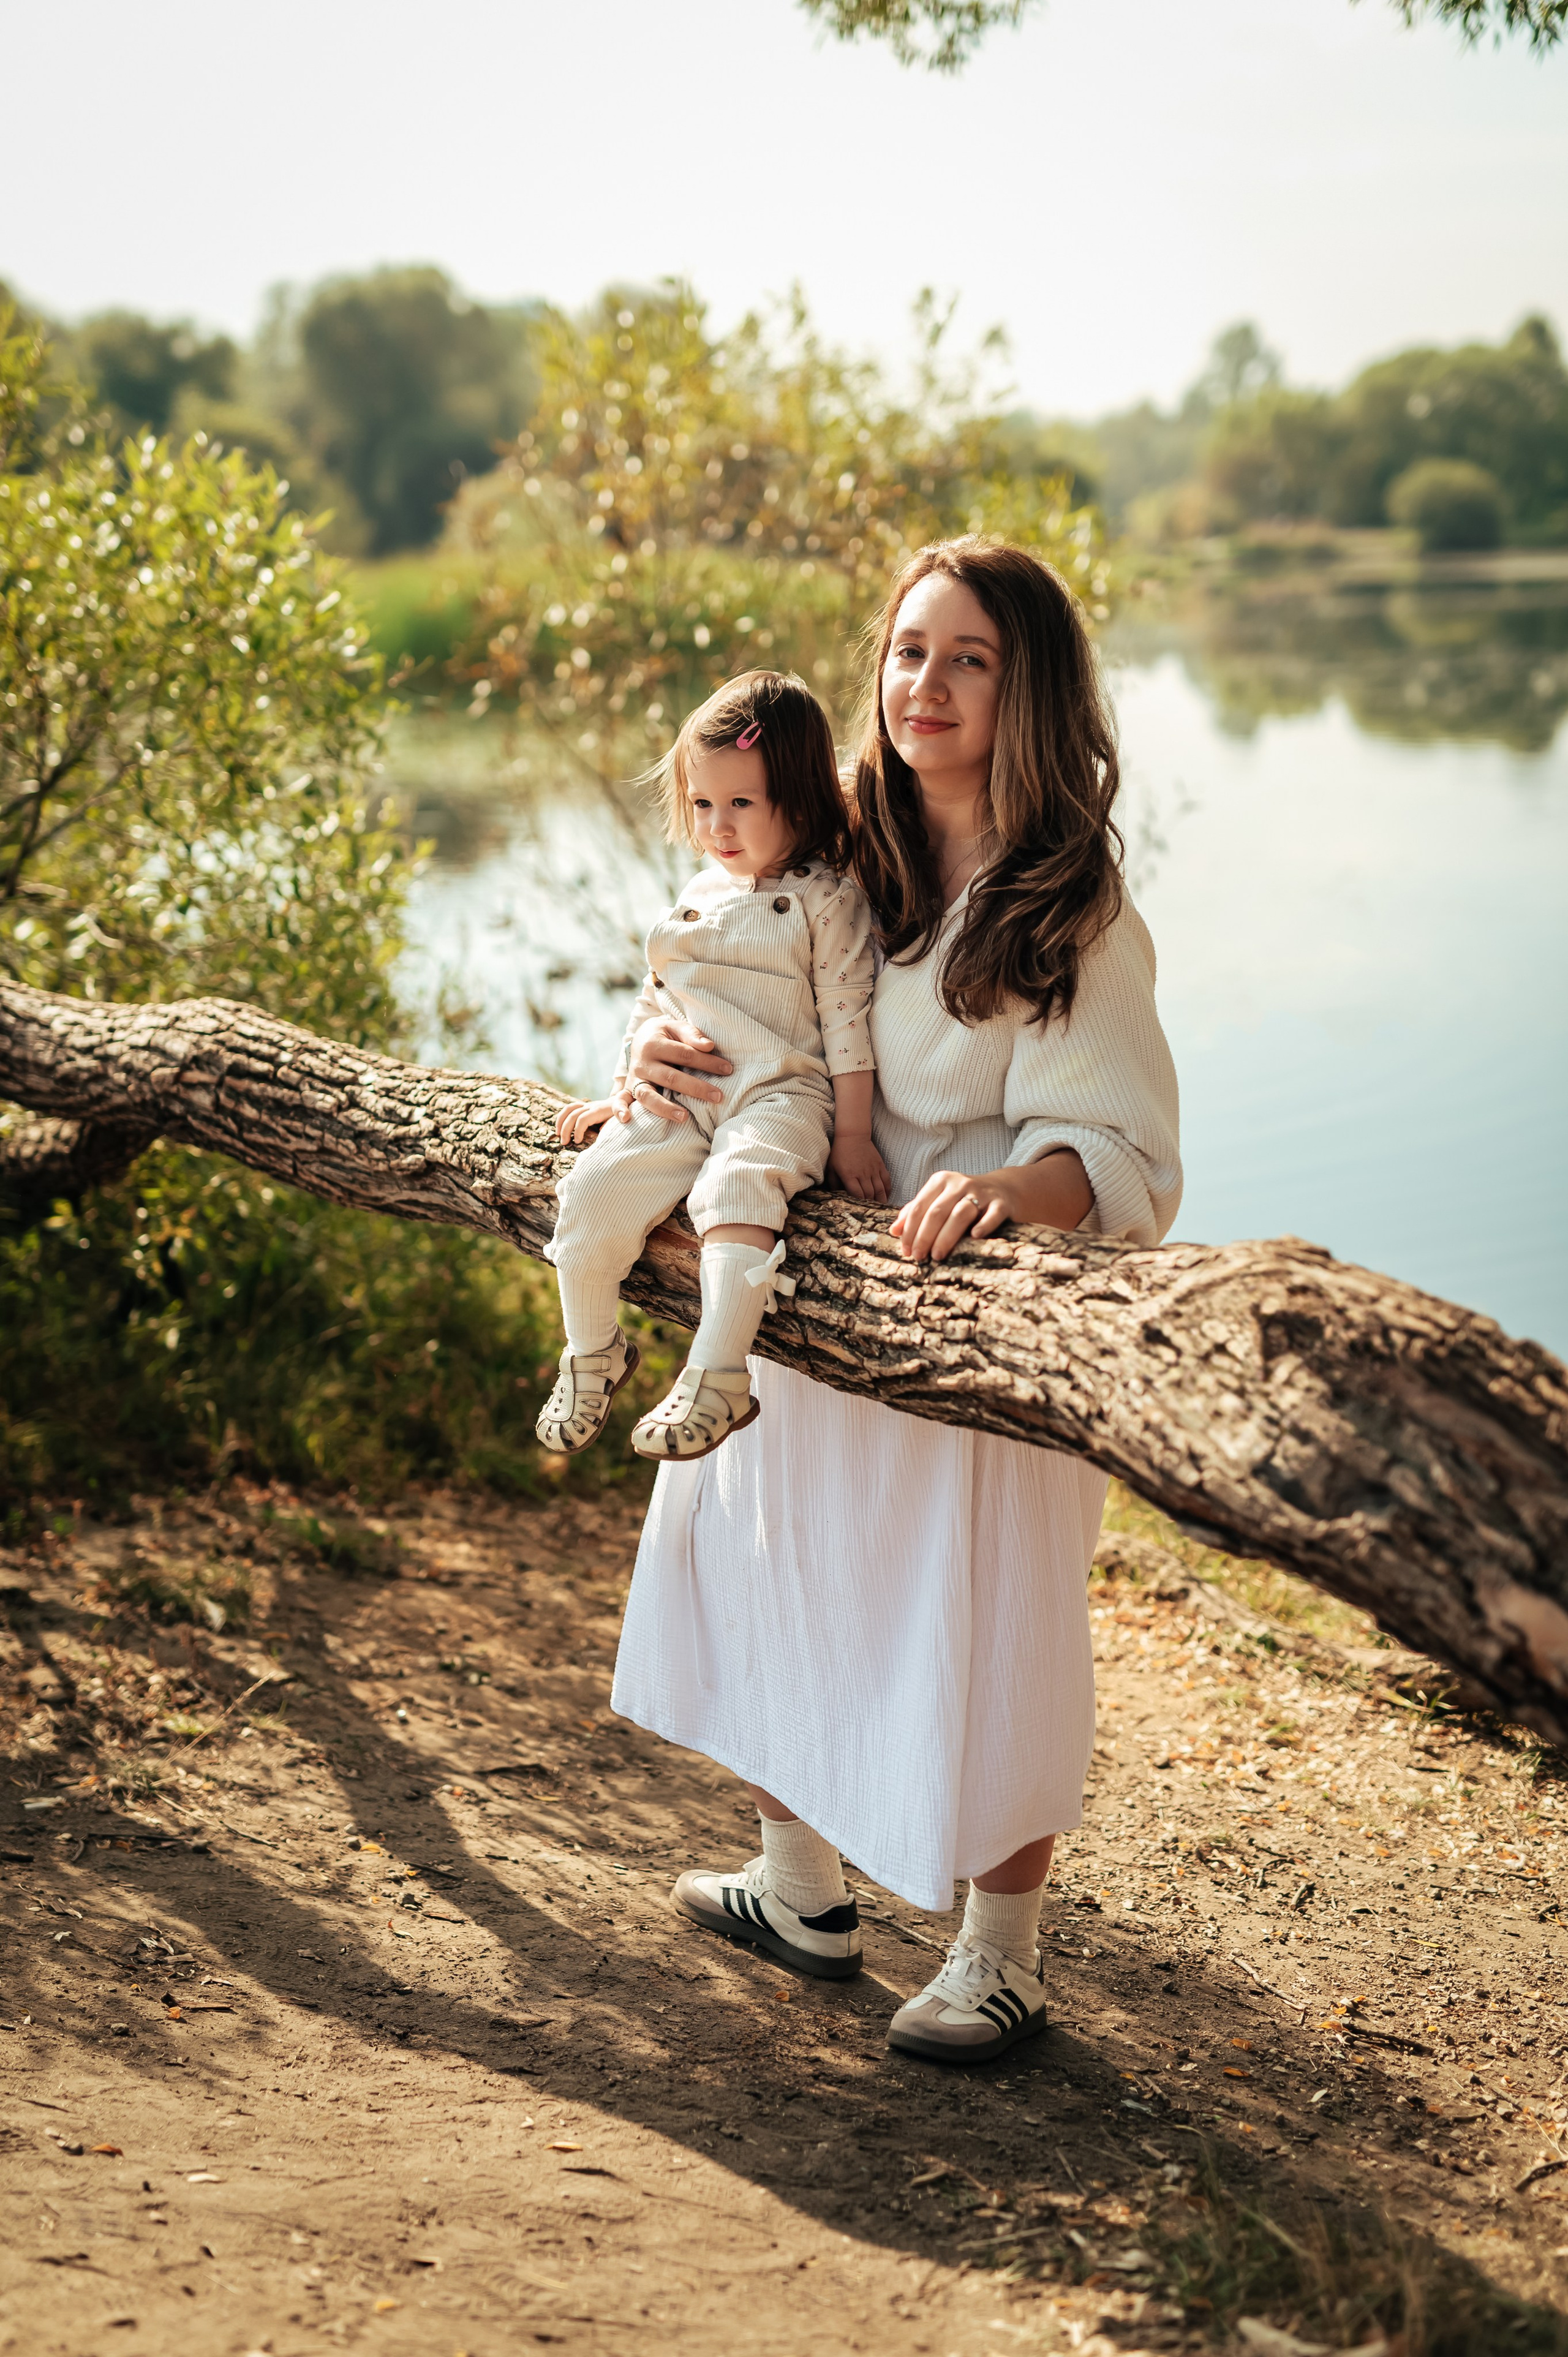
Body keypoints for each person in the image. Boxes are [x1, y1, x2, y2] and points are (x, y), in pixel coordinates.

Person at [610, 539, 1182, 2061]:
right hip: (820, 1272)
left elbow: (1118, 1145)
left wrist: (1007, 1190)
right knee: (774, 1550)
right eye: (907, 649)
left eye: (968, 657)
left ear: (1027, 689)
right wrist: (651, 1067)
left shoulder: (1070, 903)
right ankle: (797, 1889)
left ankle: (1002, 1955)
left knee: (979, 1607)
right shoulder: (832, 855)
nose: (923, 683)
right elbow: (719, 980)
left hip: (977, 1304)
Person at [539, 669, 887, 1466]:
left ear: (797, 800)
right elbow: (658, 997)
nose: (717, 826)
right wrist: (627, 1081)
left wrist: (855, 1134)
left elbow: (848, 1021)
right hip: (688, 1091)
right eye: (702, 804)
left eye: (741, 805)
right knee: (590, 1191)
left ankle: (719, 1373)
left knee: (733, 1192)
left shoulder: (827, 898)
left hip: (781, 1091)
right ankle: (593, 1352)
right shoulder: (698, 892)